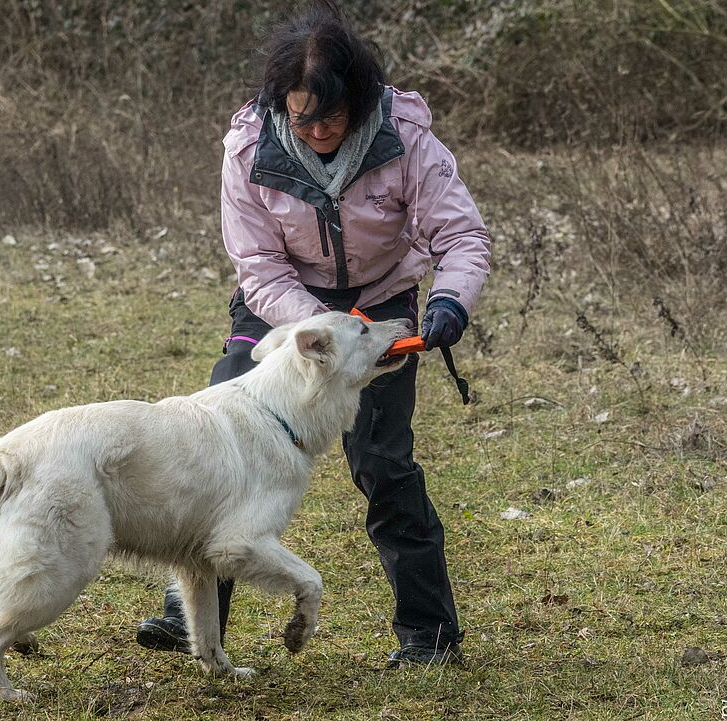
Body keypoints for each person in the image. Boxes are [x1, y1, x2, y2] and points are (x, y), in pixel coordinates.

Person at [136, 0, 490, 668]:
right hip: (280, 310)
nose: (320, 129)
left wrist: (449, 300)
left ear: (359, 99)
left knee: (382, 463)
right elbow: (258, 266)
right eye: (305, 117)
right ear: (282, 106)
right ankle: (185, 609)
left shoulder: (409, 140)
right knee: (210, 430)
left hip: (381, 307)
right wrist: (314, 331)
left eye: (333, 115)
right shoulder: (248, 149)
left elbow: (462, 235)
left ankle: (429, 633)